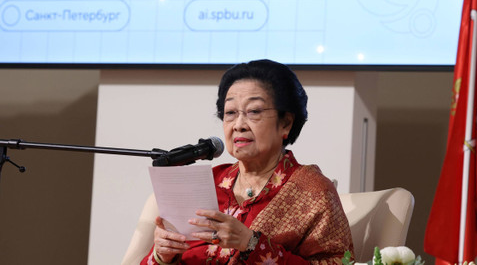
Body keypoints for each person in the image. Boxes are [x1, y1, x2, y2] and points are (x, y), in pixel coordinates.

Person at [142, 59, 353, 265]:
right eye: (231, 113)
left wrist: (251, 243)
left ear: (286, 123)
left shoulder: (312, 191)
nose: (239, 125)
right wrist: (163, 256)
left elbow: (339, 263)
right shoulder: (209, 182)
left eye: (254, 112)